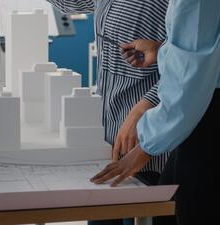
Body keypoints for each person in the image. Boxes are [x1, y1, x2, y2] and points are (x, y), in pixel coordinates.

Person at [91, 0, 220, 225]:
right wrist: (162, 50)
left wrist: (145, 146)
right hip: (210, 122)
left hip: (212, 126)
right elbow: (206, 48)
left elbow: (189, 81)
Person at [46, 1, 170, 225]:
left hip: (150, 144)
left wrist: (144, 108)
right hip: (110, 138)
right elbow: (69, 4)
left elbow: (185, 67)